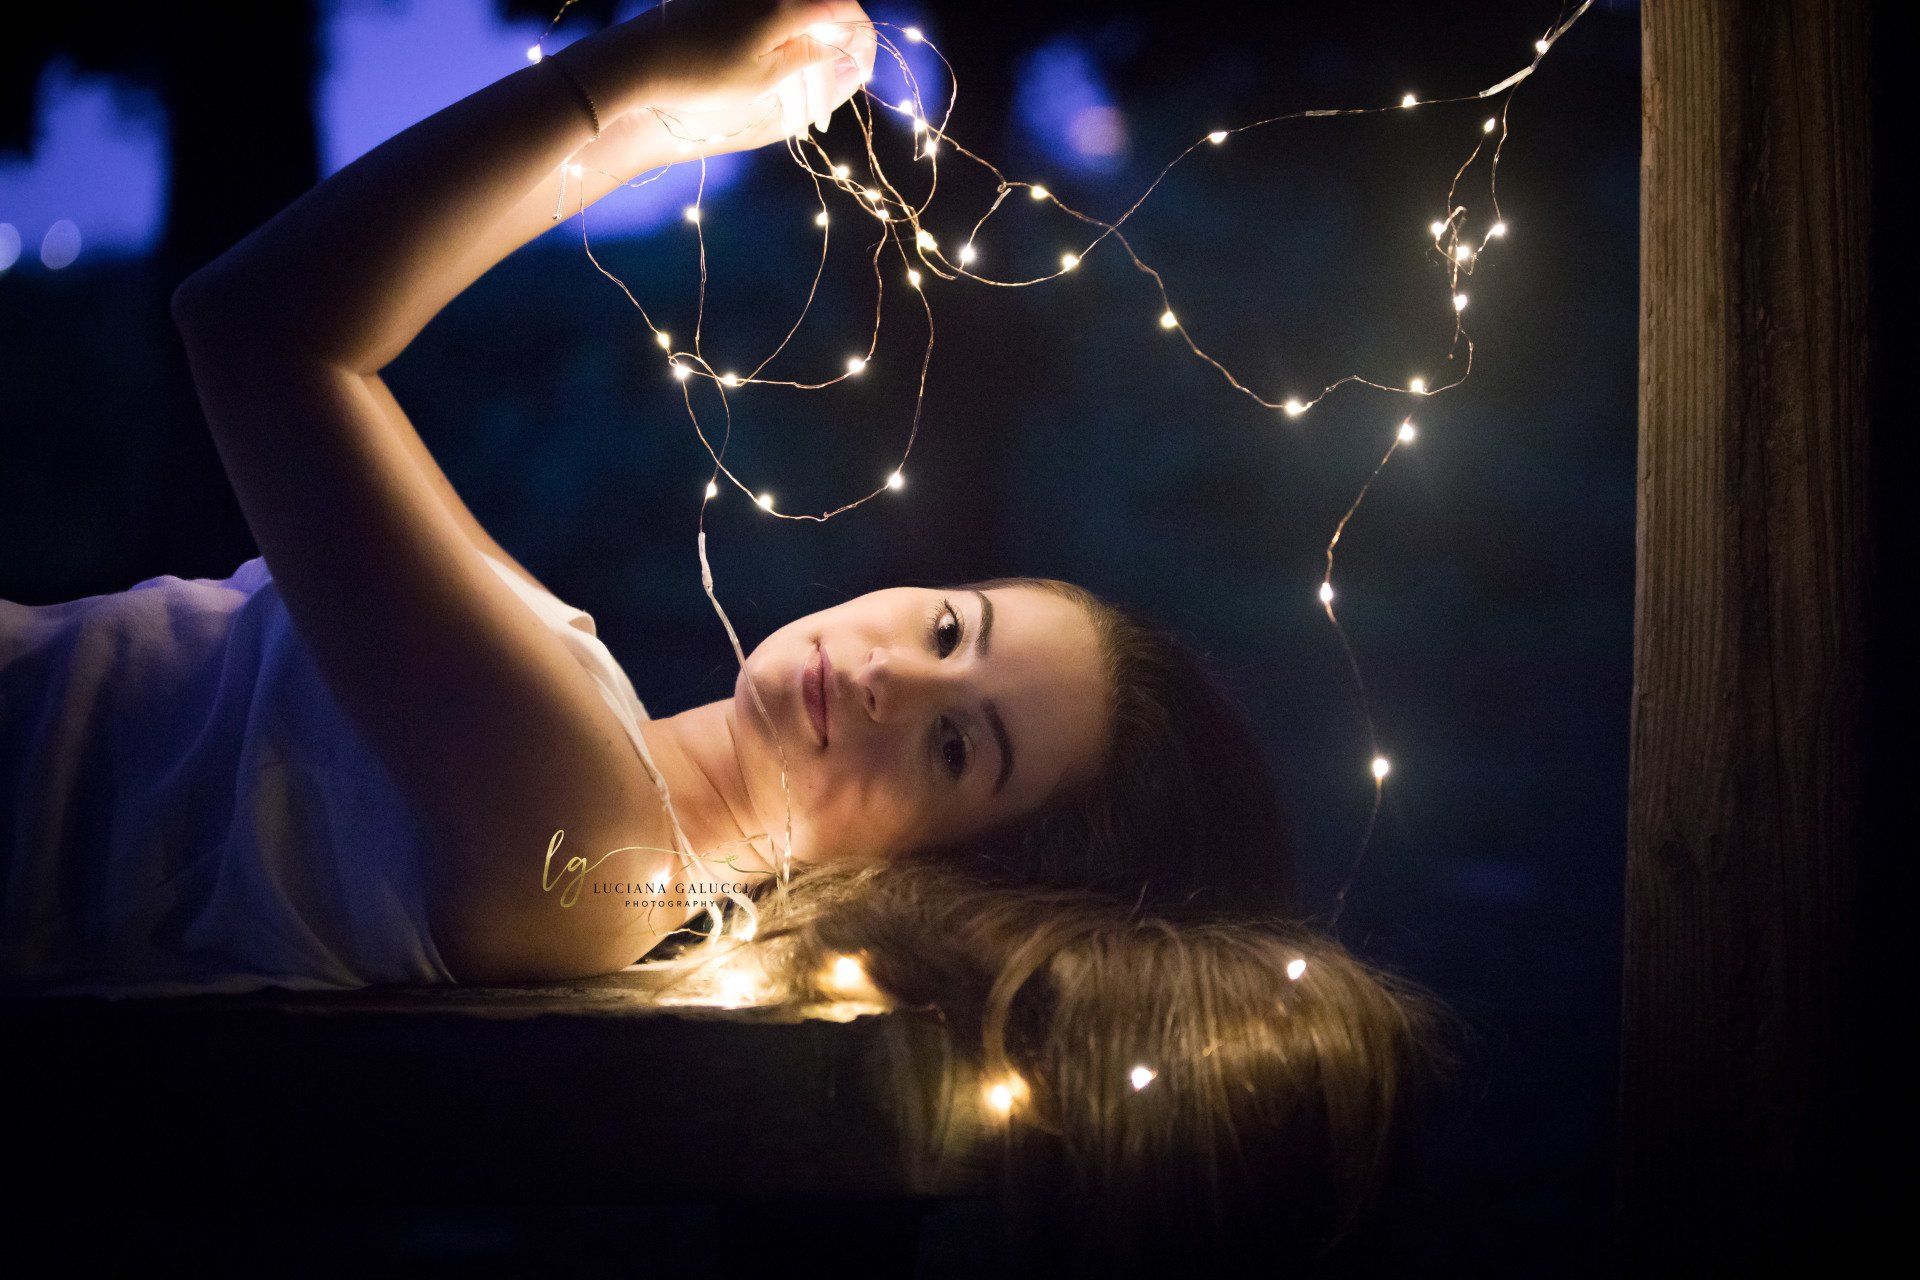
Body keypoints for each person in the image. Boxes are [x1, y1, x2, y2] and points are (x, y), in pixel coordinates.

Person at [0, 0, 1451, 1262]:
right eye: (949, 627)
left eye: (959, 747)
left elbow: (260, 330)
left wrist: (644, 77)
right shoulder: (595, 774)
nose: (884, 674)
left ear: (946, 878)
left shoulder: (589, 850)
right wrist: (686, 107)